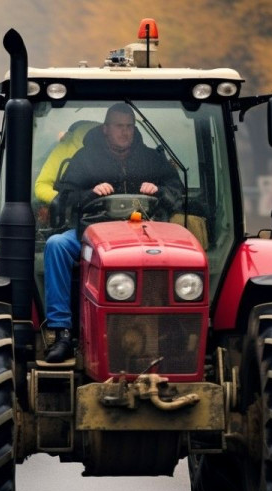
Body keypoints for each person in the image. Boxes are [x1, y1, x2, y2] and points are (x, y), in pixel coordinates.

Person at [43, 103, 181, 363]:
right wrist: (91, 194)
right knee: (57, 245)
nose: (125, 132)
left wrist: (160, 191)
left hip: (148, 235)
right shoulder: (84, 159)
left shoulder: (152, 159)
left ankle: (174, 333)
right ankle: (61, 332)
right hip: (93, 234)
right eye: (119, 126)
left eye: (129, 127)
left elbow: (177, 191)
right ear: (106, 129)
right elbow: (65, 199)